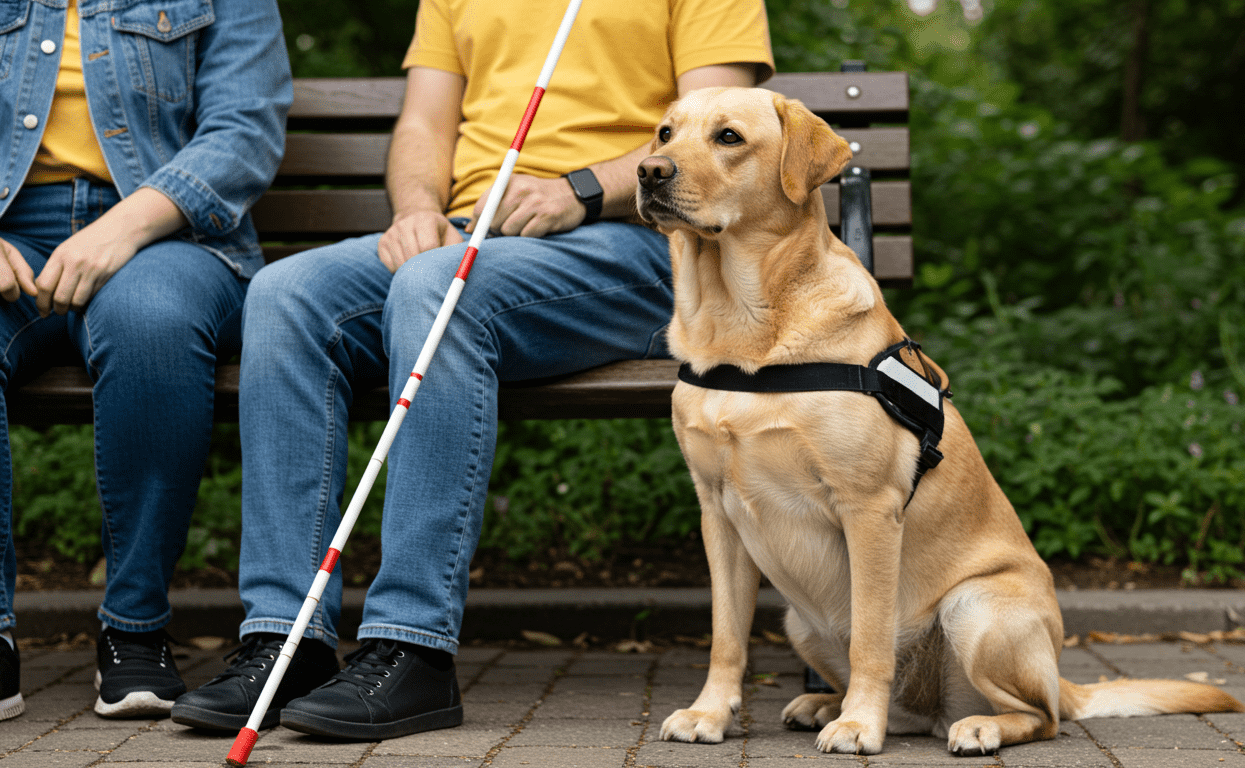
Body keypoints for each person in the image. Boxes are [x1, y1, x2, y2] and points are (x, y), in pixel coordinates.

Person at [171, 0, 773, 742]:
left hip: (643, 242)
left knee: (436, 290)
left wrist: (577, 190)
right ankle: (285, 641)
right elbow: (425, 124)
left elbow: (711, 140)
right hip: (475, 237)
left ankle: (411, 647)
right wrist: (416, 209)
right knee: (286, 296)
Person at [0, 0, 292, 719]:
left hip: (165, 228)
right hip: (12, 231)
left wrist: (123, 228)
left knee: (151, 324)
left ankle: (135, 629)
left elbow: (243, 130)